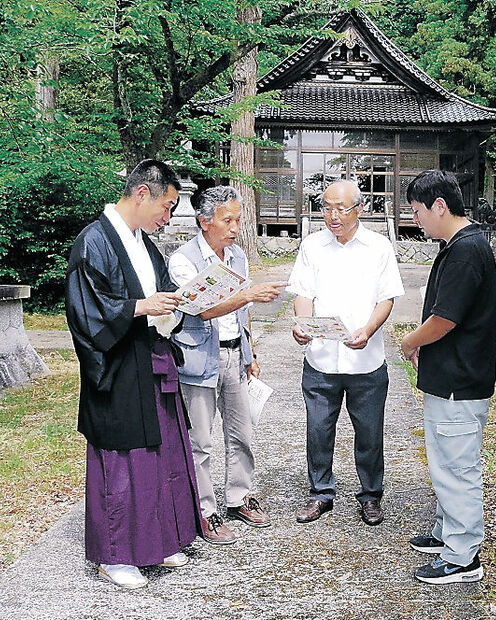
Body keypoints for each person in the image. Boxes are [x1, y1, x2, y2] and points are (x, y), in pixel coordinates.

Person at [65, 159, 202, 589]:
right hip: (118, 368)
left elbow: (162, 296)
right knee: (122, 463)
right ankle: (114, 555)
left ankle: (156, 542)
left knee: (160, 456)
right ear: (142, 193)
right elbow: (86, 314)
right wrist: (141, 307)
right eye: (167, 206)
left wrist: (179, 303)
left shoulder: (144, 243)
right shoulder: (93, 242)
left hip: (151, 359)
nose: (167, 217)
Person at [168, 186, 287, 545]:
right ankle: (205, 511)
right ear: (205, 222)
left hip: (236, 355)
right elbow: (199, 309)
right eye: (228, 219)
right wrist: (247, 294)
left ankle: (239, 496)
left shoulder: (237, 257)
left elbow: (242, 313)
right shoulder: (183, 259)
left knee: (242, 433)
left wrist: (250, 353)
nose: (235, 227)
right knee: (200, 441)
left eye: (238, 219)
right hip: (199, 357)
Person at [400, 170, 496, 585]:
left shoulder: (465, 250)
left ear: (440, 206)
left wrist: (409, 342)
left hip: (460, 379)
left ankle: (463, 557)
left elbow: (444, 319)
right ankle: (448, 533)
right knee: (445, 462)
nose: (416, 219)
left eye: (418, 211)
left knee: (456, 467)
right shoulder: (458, 245)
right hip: (451, 377)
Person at [288, 180, 404, 526]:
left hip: (366, 362)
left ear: (360, 208)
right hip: (321, 359)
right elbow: (303, 292)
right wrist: (302, 324)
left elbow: (387, 297)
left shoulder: (378, 247)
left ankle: (370, 496)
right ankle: (320, 493)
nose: (333, 215)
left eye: (341, 208)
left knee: (369, 433)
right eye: (326, 207)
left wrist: (368, 330)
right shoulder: (312, 245)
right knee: (318, 430)